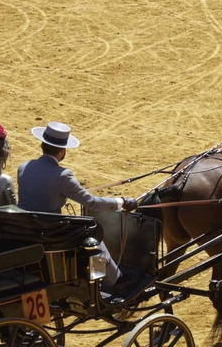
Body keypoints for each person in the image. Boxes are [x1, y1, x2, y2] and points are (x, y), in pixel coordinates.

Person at [17, 122, 135, 287]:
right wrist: (121, 202)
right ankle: (115, 279)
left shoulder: (23, 168)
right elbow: (91, 202)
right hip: (51, 232)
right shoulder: (63, 175)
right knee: (93, 231)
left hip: (26, 229)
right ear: (62, 151)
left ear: (42, 145)